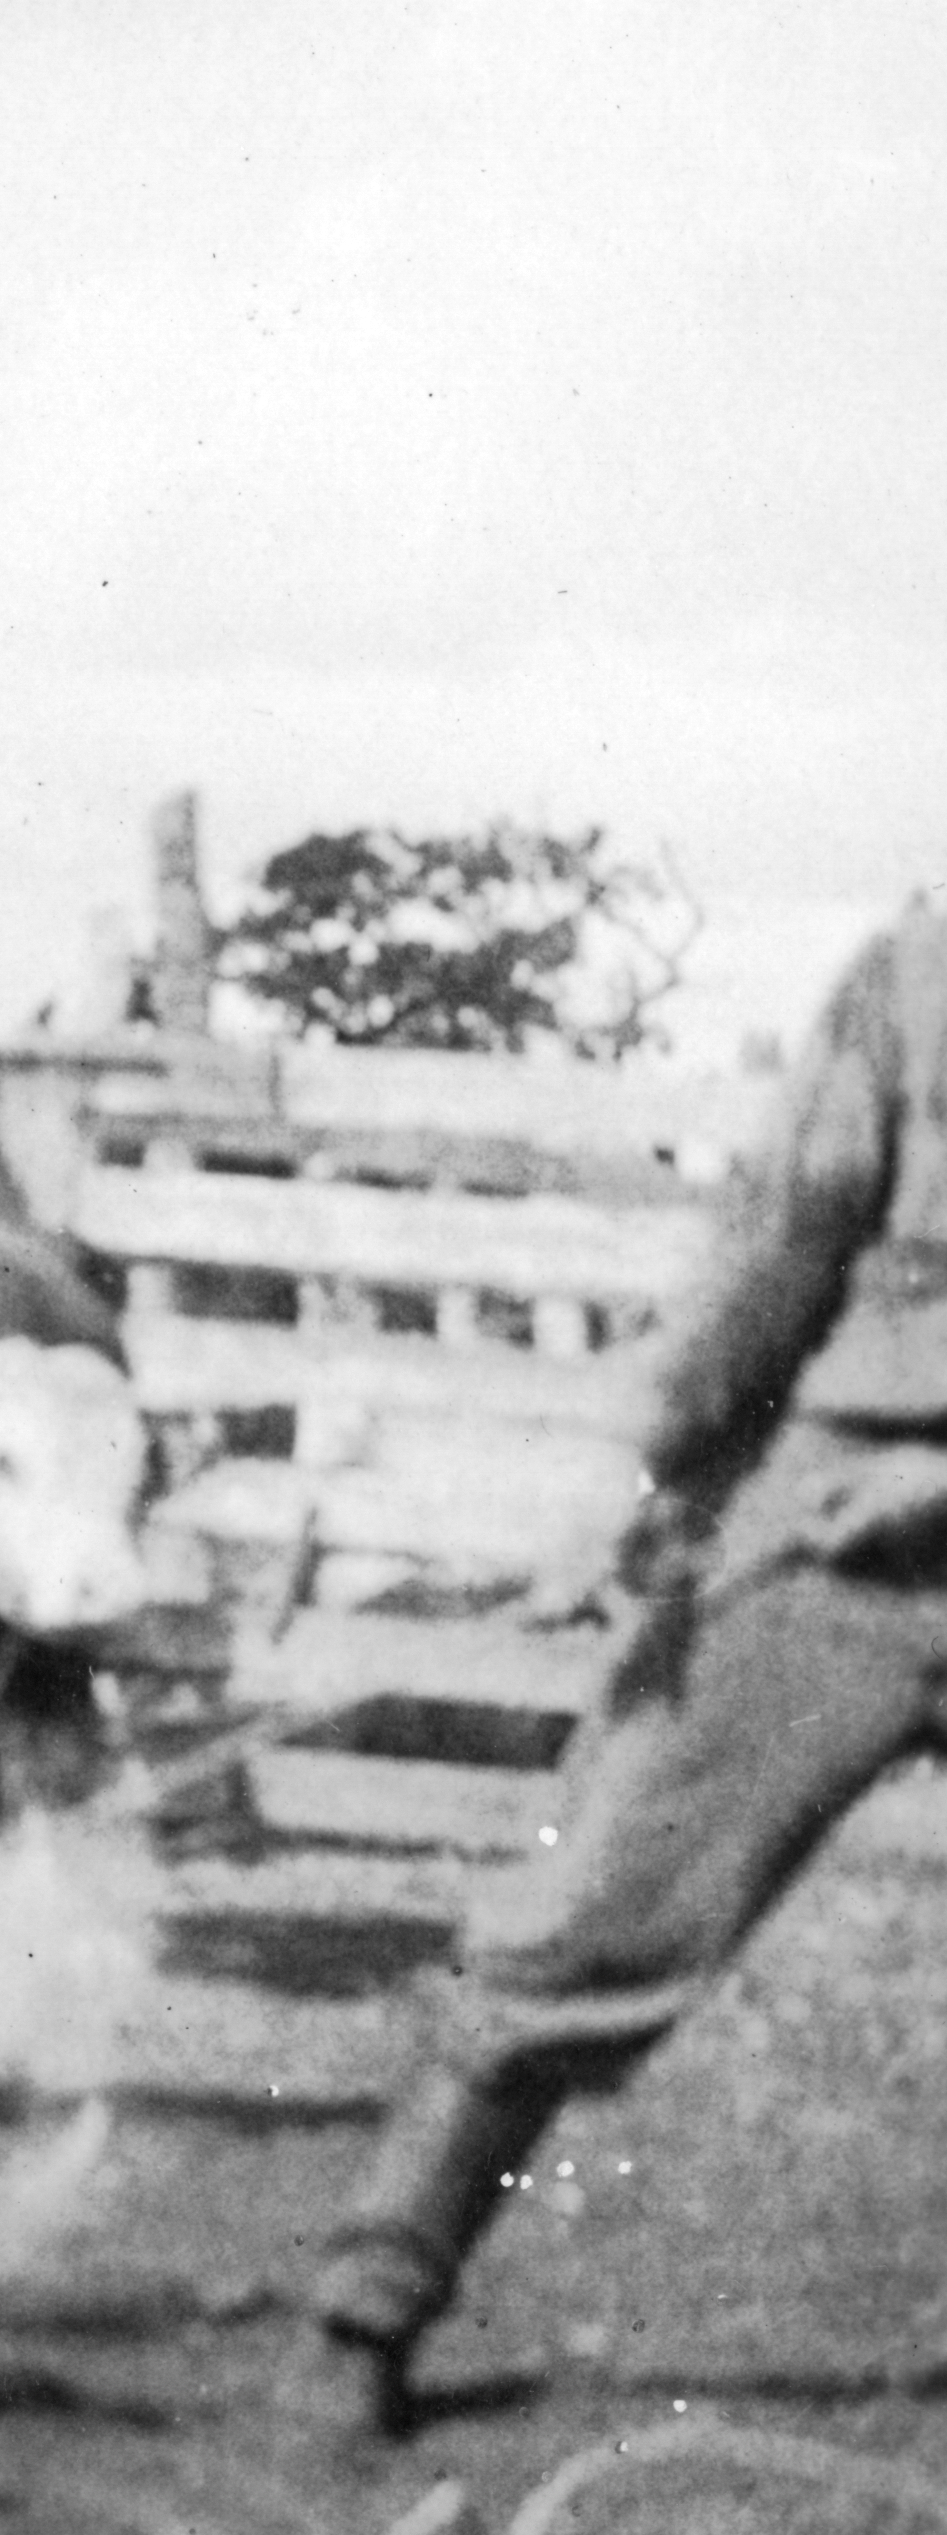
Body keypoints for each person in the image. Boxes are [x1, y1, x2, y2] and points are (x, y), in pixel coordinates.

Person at [297, 892, 947, 2452]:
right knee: (594, 1908)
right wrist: (659, 1464)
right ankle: (367, 2301)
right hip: (845, 1517)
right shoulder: (917, 963)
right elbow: (788, 1230)